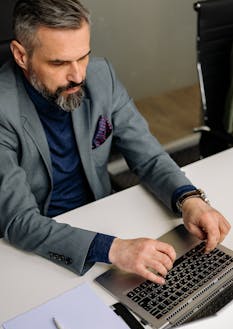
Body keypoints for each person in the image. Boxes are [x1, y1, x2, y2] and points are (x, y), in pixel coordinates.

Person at [0, 0, 230, 285]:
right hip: (37, 245)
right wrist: (113, 249)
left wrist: (189, 199)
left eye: (83, 56)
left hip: (101, 213)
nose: (78, 75)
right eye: (58, 62)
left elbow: (148, 156)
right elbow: (19, 221)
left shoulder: (100, 75)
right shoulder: (2, 109)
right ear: (21, 55)